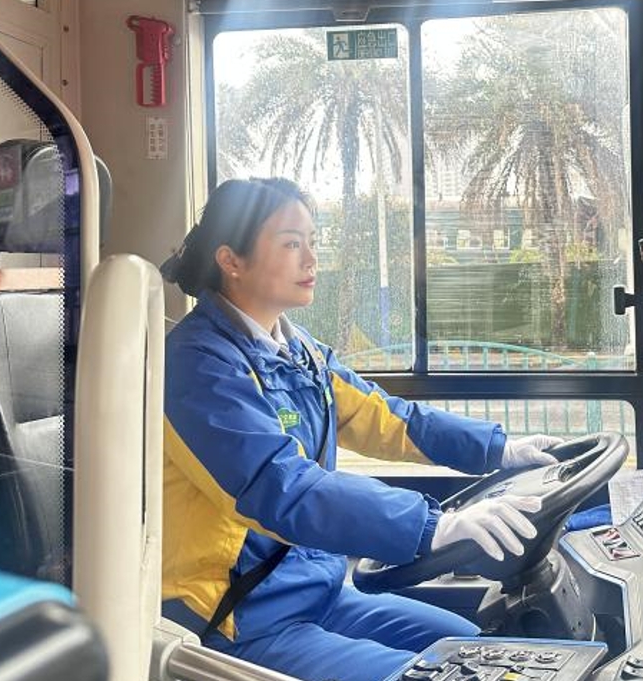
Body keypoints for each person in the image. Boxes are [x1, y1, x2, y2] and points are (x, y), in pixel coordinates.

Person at [159, 178, 562, 681]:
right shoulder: (198, 366)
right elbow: (279, 489)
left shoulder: (299, 352)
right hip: (238, 619)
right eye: (291, 244)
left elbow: (388, 418)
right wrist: (432, 527)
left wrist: (500, 449)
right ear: (231, 260)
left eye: (313, 241)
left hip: (318, 592)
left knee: (479, 648)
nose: (312, 259)